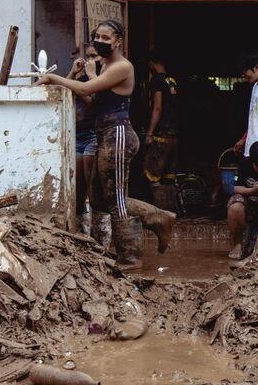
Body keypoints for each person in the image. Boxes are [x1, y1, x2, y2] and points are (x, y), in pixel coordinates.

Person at [37, 19, 145, 270]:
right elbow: (92, 99)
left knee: (116, 199)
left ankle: (130, 257)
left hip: (118, 134)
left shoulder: (122, 66)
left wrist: (54, 77)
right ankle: (159, 219)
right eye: (98, 36)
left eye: (107, 38)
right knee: (98, 198)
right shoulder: (106, 66)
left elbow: (86, 88)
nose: (101, 42)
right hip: (104, 135)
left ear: (118, 42)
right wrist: (74, 74)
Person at [69, 44, 101, 237]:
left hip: (92, 137)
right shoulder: (82, 78)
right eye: (87, 56)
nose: (90, 61)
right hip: (77, 136)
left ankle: (100, 239)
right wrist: (73, 73)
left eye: (94, 56)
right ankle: (83, 236)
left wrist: (89, 78)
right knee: (78, 191)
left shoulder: (103, 78)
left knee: (93, 191)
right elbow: (63, 90)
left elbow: (98, 104)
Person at [143, 49, 179, 211]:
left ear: (153, 63)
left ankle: (159, 214)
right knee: (168, 176)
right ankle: (170, 212)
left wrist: (150, 133)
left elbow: (157, 108)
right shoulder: (172, 81)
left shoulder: (156, 81)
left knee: (153, 174)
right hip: (173, 135)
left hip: (160, 135)